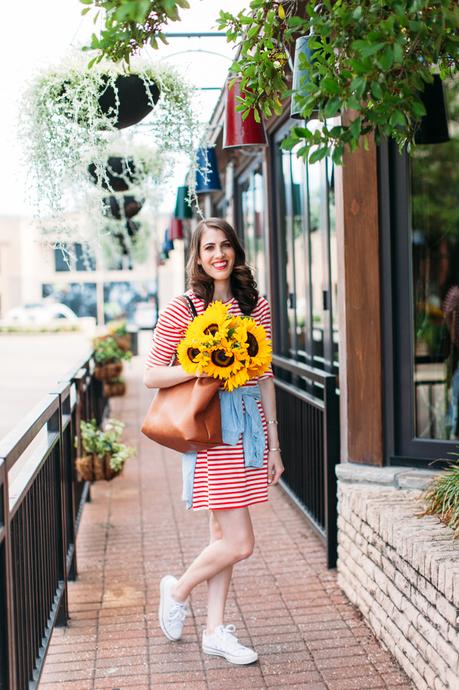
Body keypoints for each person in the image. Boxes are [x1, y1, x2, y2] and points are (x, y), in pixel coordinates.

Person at [143, 217, 284, 665]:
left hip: (249, 428)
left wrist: (275, 447)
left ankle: (214, 630)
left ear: (236, 252)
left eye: (225, 246)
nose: (218, 254)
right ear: (198, 257)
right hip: (211, 430)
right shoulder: (185, 308)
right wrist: (200, 365)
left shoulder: (254, 307)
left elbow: (264, 377)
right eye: (209, 248)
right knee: (240, 543)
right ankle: (178, 590)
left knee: (222, 534)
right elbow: (151, 374)